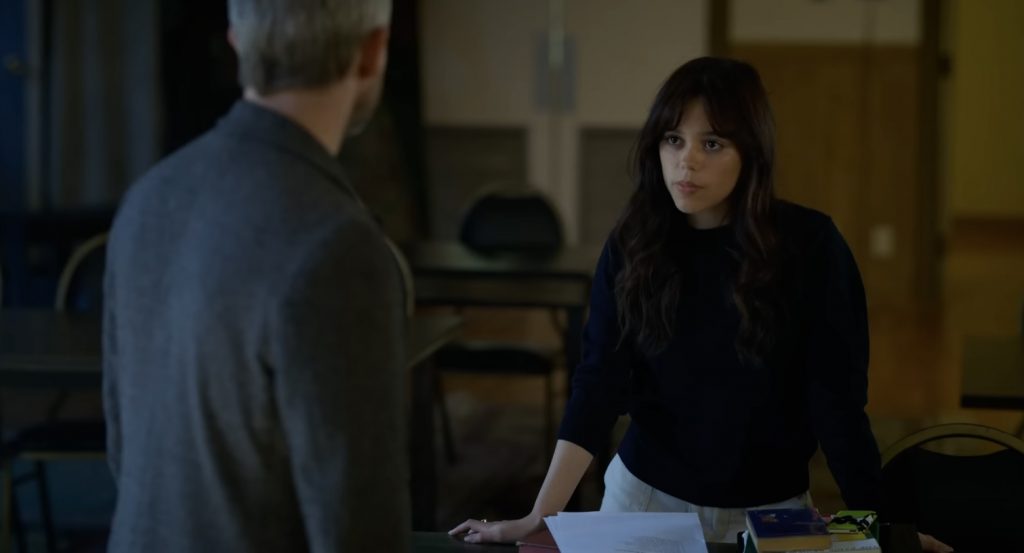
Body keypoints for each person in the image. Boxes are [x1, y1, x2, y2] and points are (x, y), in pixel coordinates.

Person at [449, 57, 951, 553]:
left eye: (711, 143)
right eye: (673, 139)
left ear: (751, 152)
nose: (686, 162)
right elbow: (598, 381)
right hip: (643, 501)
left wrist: (889, 532)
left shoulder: (811, 246)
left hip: (774, 515)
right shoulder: (633, 244)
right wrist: (539, 515)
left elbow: (837, 406)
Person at [102, 1, 407, 551]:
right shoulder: (337, 244)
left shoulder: (148, 198)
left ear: (238, 41)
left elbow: (127, 452)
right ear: (371, 52)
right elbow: (357, 524)